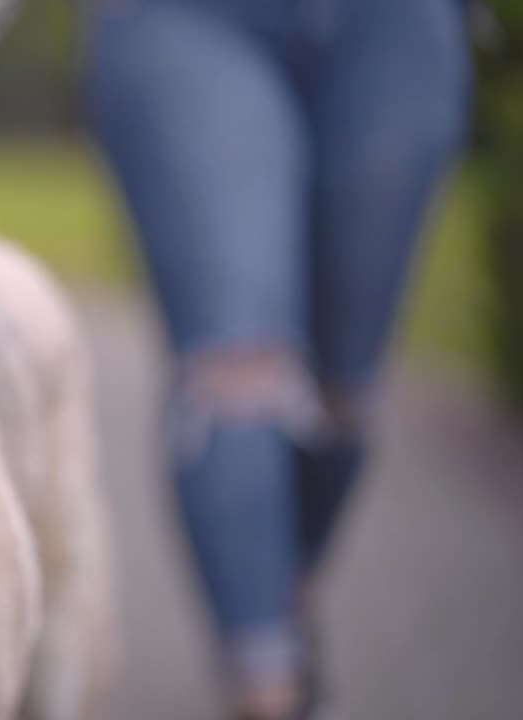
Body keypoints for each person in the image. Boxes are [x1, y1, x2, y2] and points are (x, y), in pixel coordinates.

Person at [82, 0, 471, 717]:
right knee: (238, 372)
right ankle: (269, 687)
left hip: (396, 26)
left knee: (341, 396)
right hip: (188, 23)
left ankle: (278, 590)